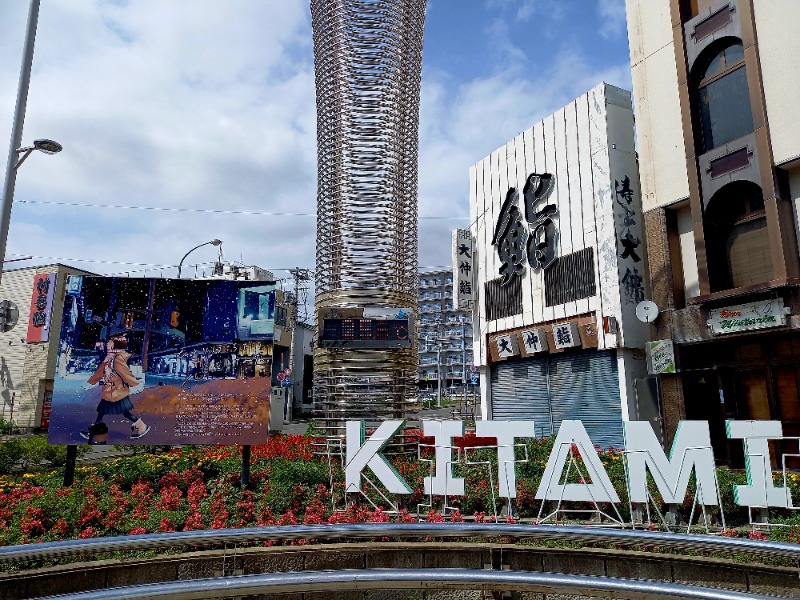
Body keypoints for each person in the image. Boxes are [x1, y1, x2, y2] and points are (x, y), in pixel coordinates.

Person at [80, 335, 149, 440]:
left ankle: (142, 427)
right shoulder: (109, 358)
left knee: (124, 413)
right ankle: (93, 433)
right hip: (110, 392)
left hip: (118, 393)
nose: (107, 344)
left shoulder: (118, 359)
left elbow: (126, 375)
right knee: (102, 413)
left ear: (116, 345)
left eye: (110, 342)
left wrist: (136, 386)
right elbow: (100, 372)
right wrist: (90, 383)